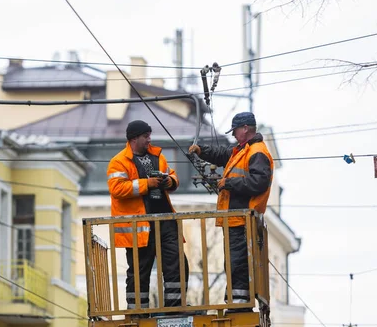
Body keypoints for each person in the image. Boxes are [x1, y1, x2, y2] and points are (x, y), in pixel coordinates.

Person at [188, 112, 273, 311]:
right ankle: (236, 300)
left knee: (238, 261)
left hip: (244, 216)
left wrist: (229, 183)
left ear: (245, 128)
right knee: (233, 261)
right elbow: (222, 155)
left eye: (235, 130)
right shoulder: (243, 150)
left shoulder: (257, 152)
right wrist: (202, 150)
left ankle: (239, 304)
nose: (233, 134)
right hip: (236, 217)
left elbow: (258, 182)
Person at [107, 119, 189, 312]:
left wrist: (170, 181)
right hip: (139, 226)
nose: (149, 139)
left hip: (165, 221)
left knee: (176, 265)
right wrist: (147, 184)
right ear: (134, 138)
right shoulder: (118, 162)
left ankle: (174, 308)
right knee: (138, 271)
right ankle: (137, 312)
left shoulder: (158, 156)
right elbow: (117, 188)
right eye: (146, 136)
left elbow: (172, 175)